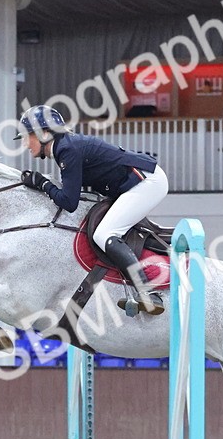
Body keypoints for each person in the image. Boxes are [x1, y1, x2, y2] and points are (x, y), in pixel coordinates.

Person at [16, 104, 169, 315]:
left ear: (44, 133)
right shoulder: (64, 148)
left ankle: (148, 293)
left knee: (104, 234)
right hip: (135, 182)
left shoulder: (67, 149)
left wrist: (42, 184)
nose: (25, 144)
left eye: (27, 137)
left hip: (147, 181)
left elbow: (69, 203)